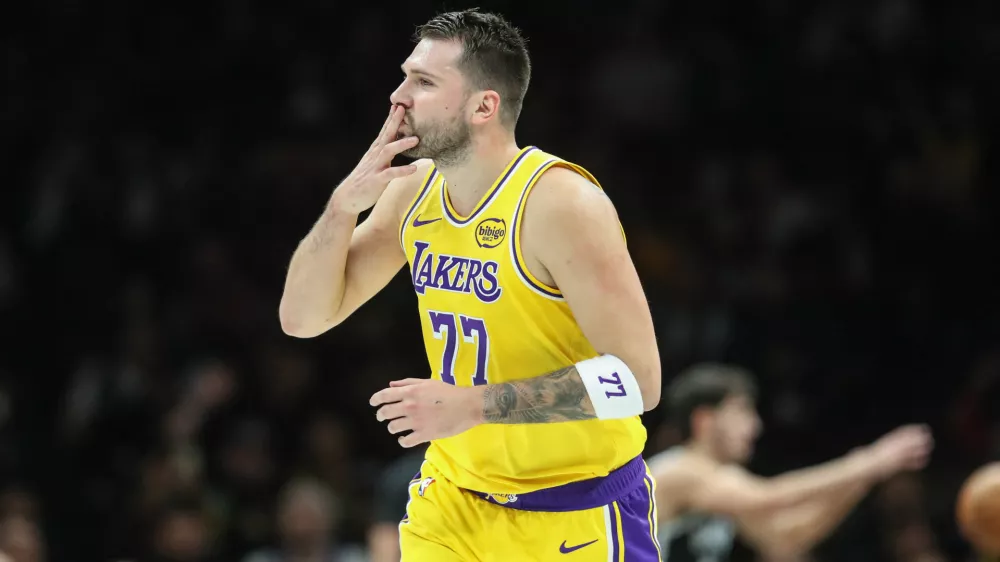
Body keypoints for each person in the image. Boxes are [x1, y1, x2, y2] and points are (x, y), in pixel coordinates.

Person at [279, 8, 661, 561]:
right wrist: (343, 207)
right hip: (454, 502)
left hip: (576, 507)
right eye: (406, 76)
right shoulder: (413, 190)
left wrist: (474, 406)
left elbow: (638, 383)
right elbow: (301, 318)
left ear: (484, 106)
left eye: (423, 82)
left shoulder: (560, 204)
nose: (398, 97)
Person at [648, 363, 934, 561]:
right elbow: (768, 496)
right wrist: (868, 462)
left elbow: (783, 538)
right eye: (741, 411)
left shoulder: (722, 484)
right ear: (705, 420)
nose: (754, 426)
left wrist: (860, 480)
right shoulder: (680, 470)